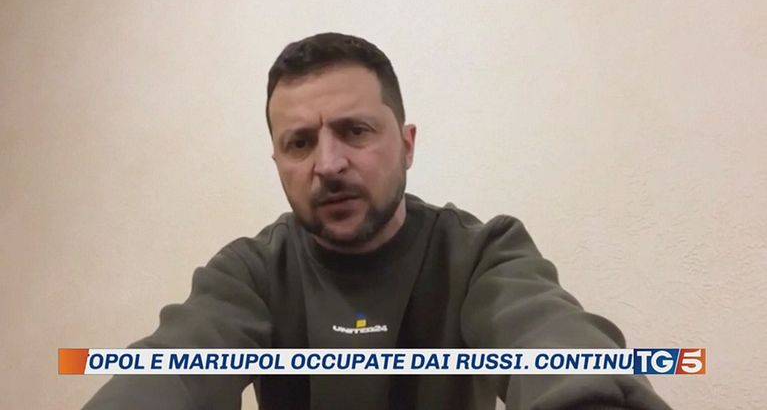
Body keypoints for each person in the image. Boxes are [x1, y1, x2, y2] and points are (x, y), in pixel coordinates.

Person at [82, 32, 671, 410]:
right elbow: (172, 367)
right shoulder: (251, 274)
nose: (328, 164)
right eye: (299, 142)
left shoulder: (480, 254)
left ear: (407, 144)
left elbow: (548, 337)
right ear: (278, 162)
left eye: (355, 131)